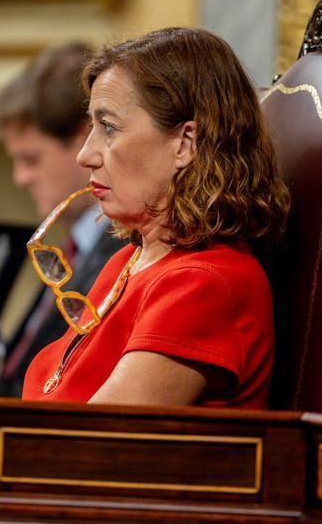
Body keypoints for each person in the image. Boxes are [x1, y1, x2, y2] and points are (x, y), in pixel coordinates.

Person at [21, 27, 290, 408]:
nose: (86, 155)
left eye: (108, 127)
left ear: (185, 144)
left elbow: (90, 444)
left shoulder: (205, 283)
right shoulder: (125, 263)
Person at [0, 41, 126, 397]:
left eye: (31, 159)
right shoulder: (72, 246)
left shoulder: (125, 248)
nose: (20, 178)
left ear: (83, 140)